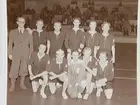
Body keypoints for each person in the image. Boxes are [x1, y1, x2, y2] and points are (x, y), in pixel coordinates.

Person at [8, 16, 33, 92]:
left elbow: (31, 44)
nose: (21, 23)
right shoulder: (12, 32)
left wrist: (30, 54)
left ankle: (22, 84)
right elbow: (10, 44)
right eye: (20, 21)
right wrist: (10, 53)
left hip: (26, 52)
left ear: (25, 23)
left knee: (24, 68)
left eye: (23, 22)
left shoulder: (28, 32)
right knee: (14, 68)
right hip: (16, 53)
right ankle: (12, 85)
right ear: (17, 22)